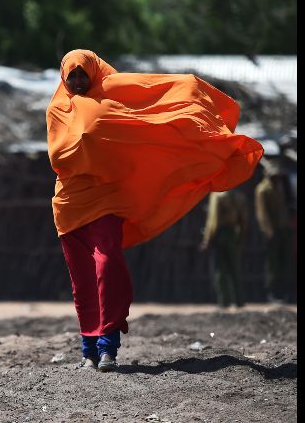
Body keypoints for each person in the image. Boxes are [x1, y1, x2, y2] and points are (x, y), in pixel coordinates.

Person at [46, 50, 263, 372]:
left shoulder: (114, 97)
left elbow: (146, 118)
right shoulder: (56, 109)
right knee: (81, 280)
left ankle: (108, 346)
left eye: (83, 74)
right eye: (72, 75)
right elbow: (58, 157)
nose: (78, 80)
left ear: (94, 73)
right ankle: (88, 349)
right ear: (64, 76)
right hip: (69, 203)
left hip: (108, 199)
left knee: (107, 265)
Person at [200, 189, 248, 308]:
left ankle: (224, 302)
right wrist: (240, 239)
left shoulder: (217, 195)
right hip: (233, 234)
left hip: (220, 235)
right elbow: (244, 221)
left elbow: (213, 220)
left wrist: (207, 240)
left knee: (220, 270)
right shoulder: (240, 196)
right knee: (234, 268)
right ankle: (239, 301)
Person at [255, 159, 294, 303]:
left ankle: (285, 294)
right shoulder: (263, 189)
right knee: (273, 264)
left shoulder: (281, 187)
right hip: (273, 232)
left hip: (284, 229)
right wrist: (269, 231)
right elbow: (262, 213)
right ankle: (273, 293)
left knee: (286, 262)